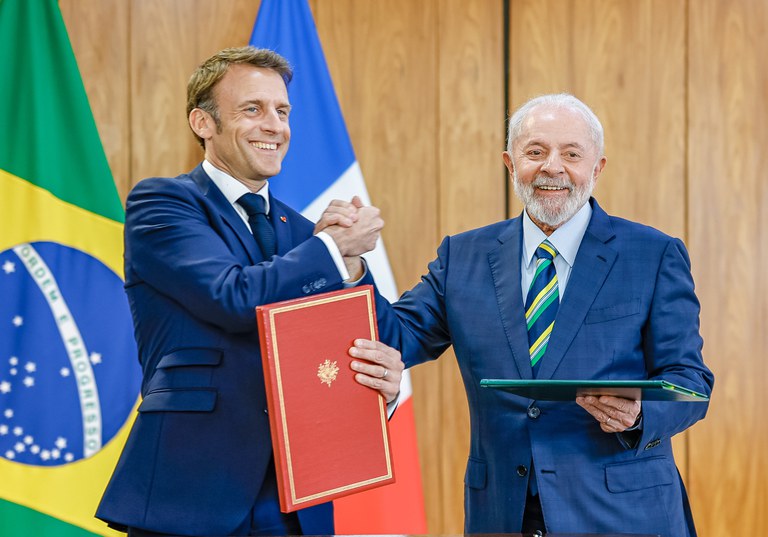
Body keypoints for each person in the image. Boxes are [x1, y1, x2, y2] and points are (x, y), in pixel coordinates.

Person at [323, 93, 714, 537]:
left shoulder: (653, 254)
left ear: (597, 168)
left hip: (624, 513)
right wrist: (351, 263)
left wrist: (642, 414)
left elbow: (691, 381)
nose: (552, 167)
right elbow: (392, 338)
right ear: (510, 164)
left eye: (571, 154)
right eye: (535, 152)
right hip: (503, 513)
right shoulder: (463, 256)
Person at [96, 46, 404, 537]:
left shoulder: (308, 234)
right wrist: (329, 249)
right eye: (252, 109)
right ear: (204, 123)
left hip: (297, 500)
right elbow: (233, 297)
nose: (274, 126)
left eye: (282, 111)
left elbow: (384, 335)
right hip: (192, 494)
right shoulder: (164, 203)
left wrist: (350, 264)